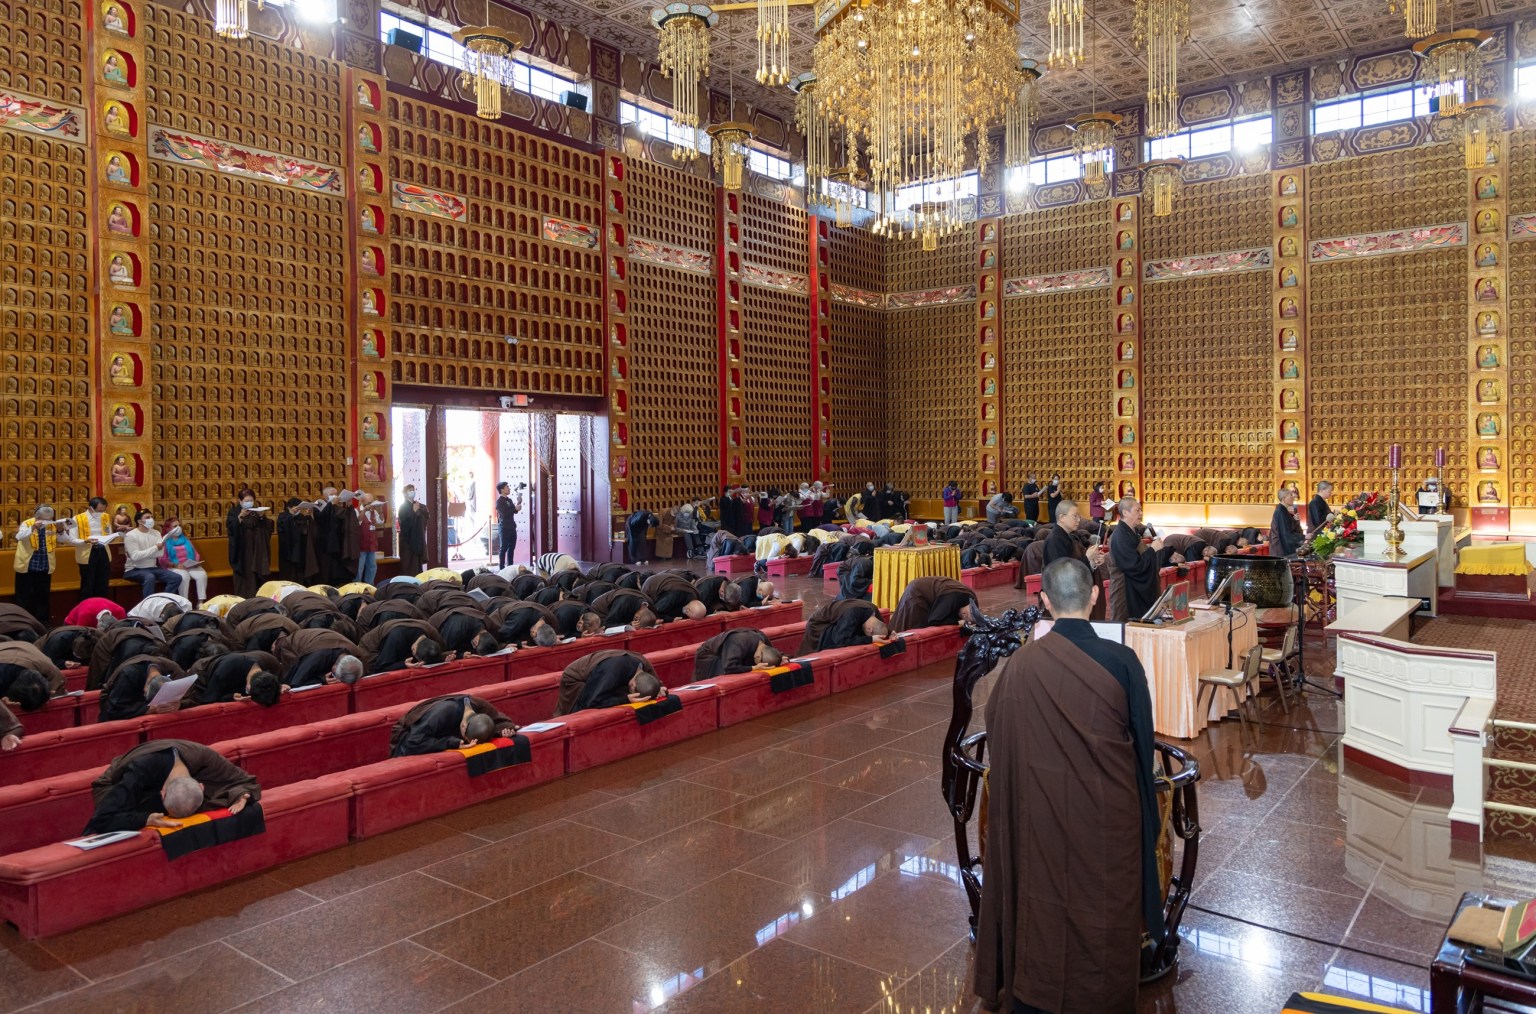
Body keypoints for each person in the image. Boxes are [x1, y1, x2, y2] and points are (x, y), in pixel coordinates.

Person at [974, 557, 1163, 1014]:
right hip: (1105, 815)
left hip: (1038, 813)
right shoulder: (1122, 661)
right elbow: (1143, 748)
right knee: (1103, 904)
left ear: (1043, 602)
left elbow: (997, 726)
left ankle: (1033, 989)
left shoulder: (1021, 664)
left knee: (1042, 900)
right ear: (1096, 596)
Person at [83, 740, 260, 834]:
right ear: (162, 793)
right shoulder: (138, 772)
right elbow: (101, 820)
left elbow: (244, 780)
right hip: (118, 783)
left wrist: (242, 795)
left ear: (201, 786)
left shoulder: (204, 757)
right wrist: (144, 819)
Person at [389, 694, 519, 757]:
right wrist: (453, 742)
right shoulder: (443, 712)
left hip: (438, 733)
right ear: (462, 727)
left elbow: (500, 720)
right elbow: (414, 742)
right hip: (408, 739)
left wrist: (504, 730)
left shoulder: (479, 706)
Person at [554, 650, 664, 715]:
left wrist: (660, 687)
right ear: (633, 684)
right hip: (576, 679)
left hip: (608, 671)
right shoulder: (611, 671)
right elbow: (591, 702)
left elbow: (653, 683)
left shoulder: (643, 665)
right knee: (588, 707)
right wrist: (625, 699)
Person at [1108, 498, 1162, 621]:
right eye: (1137, 510)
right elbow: (1134, 566)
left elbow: (1140, 556)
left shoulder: (1132, 532)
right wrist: (1152, 550)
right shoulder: (1120, 535)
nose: (1141, 513)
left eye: (1141, 510)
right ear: (1125, 512)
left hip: (1135, 590)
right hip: (1126, 592)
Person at [12, 504, 61, 626]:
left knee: (43, 596)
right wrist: (33, 527)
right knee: (24, 596)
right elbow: (19, 537)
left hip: (45, 565)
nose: (46, 522)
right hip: (27, 565)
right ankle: (23, 623)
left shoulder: (53, 525)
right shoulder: (27, 524)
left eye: (49, 519)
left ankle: (42, 623)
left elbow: (62, 539)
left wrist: (60, 530)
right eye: (44, 519)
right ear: (36, 516)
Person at [180, 652, 283, 709]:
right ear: (248, 687)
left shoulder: (264, 665)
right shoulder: (223, 672)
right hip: (202, 675)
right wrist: (230, 698)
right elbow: (210, 700)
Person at [274, 627, 366, 688]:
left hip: (320, 641)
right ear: (333, 669)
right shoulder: (316, 657)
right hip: (293, 646)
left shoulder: (356, 654)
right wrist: (321, 680)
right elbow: (296, 683)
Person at [122, 509, 182, 599]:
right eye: (147, 517)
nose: (151, 519)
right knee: (150, 577)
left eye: (151, 517)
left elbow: (160, 554)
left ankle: (163, 601)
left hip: (152, 567)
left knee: (176, 577)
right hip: (134, 569)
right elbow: (135, 557)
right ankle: (148, 605)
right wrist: (155, 548)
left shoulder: (156, 533)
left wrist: (144, 553)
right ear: (139, 521)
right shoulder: (130, 535)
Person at [68, 496, 117, 600]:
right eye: (99, 510)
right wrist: (85, 541)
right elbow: (72, 540)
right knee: (88, 585)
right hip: (87, 553)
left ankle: (102, 609)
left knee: (103, 584)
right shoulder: (77, 519)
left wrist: (112, 537)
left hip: (103, 551)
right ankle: (87, 611)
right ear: (91, 508)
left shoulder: (106, 517)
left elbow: (109, 533)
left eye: (103, 510)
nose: (101, 513)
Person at [227, 490, 273, 598]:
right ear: (240, 501)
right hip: (243, 551)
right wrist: (241, 517)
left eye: (251, 500)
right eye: (246, 500)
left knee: (257, 579)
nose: (249, 502)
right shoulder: (234, 512)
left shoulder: (256, 511)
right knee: (245, 580)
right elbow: (231, 530)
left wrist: (262, 517)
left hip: (257, 551)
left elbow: (268, 529)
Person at [889, 575, 976, 632]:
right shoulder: (952, 598)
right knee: (911, 626)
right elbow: (935, 620)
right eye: (965, 616)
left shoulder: (972, 599)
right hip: (918, 592)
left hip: (932, 592)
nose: (963, 617)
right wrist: (958, 623)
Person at [360, 618, 448, 672]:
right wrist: (403, 665)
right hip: (373, 651)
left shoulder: (432, 633)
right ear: (413, 649)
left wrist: (445, 658)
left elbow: (435, 656)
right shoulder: (396, 638)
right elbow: (381, 667)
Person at [799, 599, 888, 653]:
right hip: (819, 627)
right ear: (870, 630)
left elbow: (880, 626)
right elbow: (841, 639)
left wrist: (890, 632)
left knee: (856, 631)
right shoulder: (851, 615)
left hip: (841, 620)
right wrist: (871, 639)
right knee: (842, 639)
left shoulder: (873, 610)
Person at [692, 628, 783, 679]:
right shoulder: (738, 641)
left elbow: (772, 652)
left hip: (731, 654)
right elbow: (729, 667)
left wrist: (781, 658)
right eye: (757, 662)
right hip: (710, 658)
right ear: (758, 657)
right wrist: (754, 667)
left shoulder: (763, 639)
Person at [0, 640, 66, 712]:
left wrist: (51, 694)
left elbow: (59, 688)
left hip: (25, 647)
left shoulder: (51, 672)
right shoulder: (3, 673)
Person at [159, 516, 208, 605]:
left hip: (189, 564)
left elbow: (196, 553)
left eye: (179, 525)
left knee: (202, 574)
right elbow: (162, 560)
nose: (178, 528)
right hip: (174, 566)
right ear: (168, 529)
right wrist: (175, 565)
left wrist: (195, 562)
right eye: (175, 526)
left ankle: (201, 602)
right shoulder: (164, 542)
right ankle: (184, 602)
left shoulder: (186, 539)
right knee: (184, 576)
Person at [276, 499, 319, 585]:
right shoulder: (282, 516)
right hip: (287, 549)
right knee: (288, 571)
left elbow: (307, 531)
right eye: (296, 508)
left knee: (300, 570)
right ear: (289, 507)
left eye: (299, 508)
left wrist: (309, 516)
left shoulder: (302, 517)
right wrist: (291, 515)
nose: (298, 510)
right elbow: (282, 529)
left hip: (300, 548)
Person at [640, 572, 707, 622]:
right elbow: (655, 611)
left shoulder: (696, 596)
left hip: (671, 586)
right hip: (650, 585)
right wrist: (671, 619)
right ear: (688, 609)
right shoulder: (672, 597)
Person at [398, 484, 429, 574]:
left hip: (417, 540)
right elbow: (404, 524)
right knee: (408, 566)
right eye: (409, 490)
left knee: (417, 567)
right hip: (407, 541)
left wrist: (420, 511)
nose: (412, 492)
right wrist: (414, 512)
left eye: (413, 490)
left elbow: (425, 518)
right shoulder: (403, 507)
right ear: (405, 494)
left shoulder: (417, 505)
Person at [356, 492, 386, 585]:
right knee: (359, 568)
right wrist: (364, 510)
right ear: (362, 501)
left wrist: (380, 510)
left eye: (371, 502)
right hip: (361, 545)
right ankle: (357, 587)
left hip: (372, 544)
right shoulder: (356, 510)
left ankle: (369, 586)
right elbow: (358, 521)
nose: (370, 505)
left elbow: (381, 522)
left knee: (372, 567)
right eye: (368, 502)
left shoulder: (374, 511)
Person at [494, 481, 523, 568]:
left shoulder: (509, 500)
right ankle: (502, 568)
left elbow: (513, 511)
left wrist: (518, 503)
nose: (509, 488)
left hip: (511, 527)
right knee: (503, 548)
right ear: (502, 489)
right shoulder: (499, 501)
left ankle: (510, 566)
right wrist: (515, 508)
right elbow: (504, 513)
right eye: (507, 487)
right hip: (504, 527)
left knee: (511, 548)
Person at [1270, 486, 1305, 557]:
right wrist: (1304, 537)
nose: (1293, 497)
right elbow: (1286, 534)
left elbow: (1290, 528)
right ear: (1284, 499)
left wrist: (1295, 521)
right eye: (1290, 495)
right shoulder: (1280, 512)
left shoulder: (1285, 512)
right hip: (1281, 549)